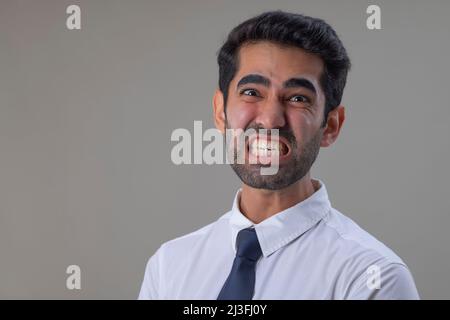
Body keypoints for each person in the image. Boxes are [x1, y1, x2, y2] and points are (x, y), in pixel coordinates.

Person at [138, 11, 419, 299]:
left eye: (298, 98)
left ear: (331, 125)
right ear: (220, 112)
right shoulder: (168, 266)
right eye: (251, 92)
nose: (271, 120)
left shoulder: (372, 277)